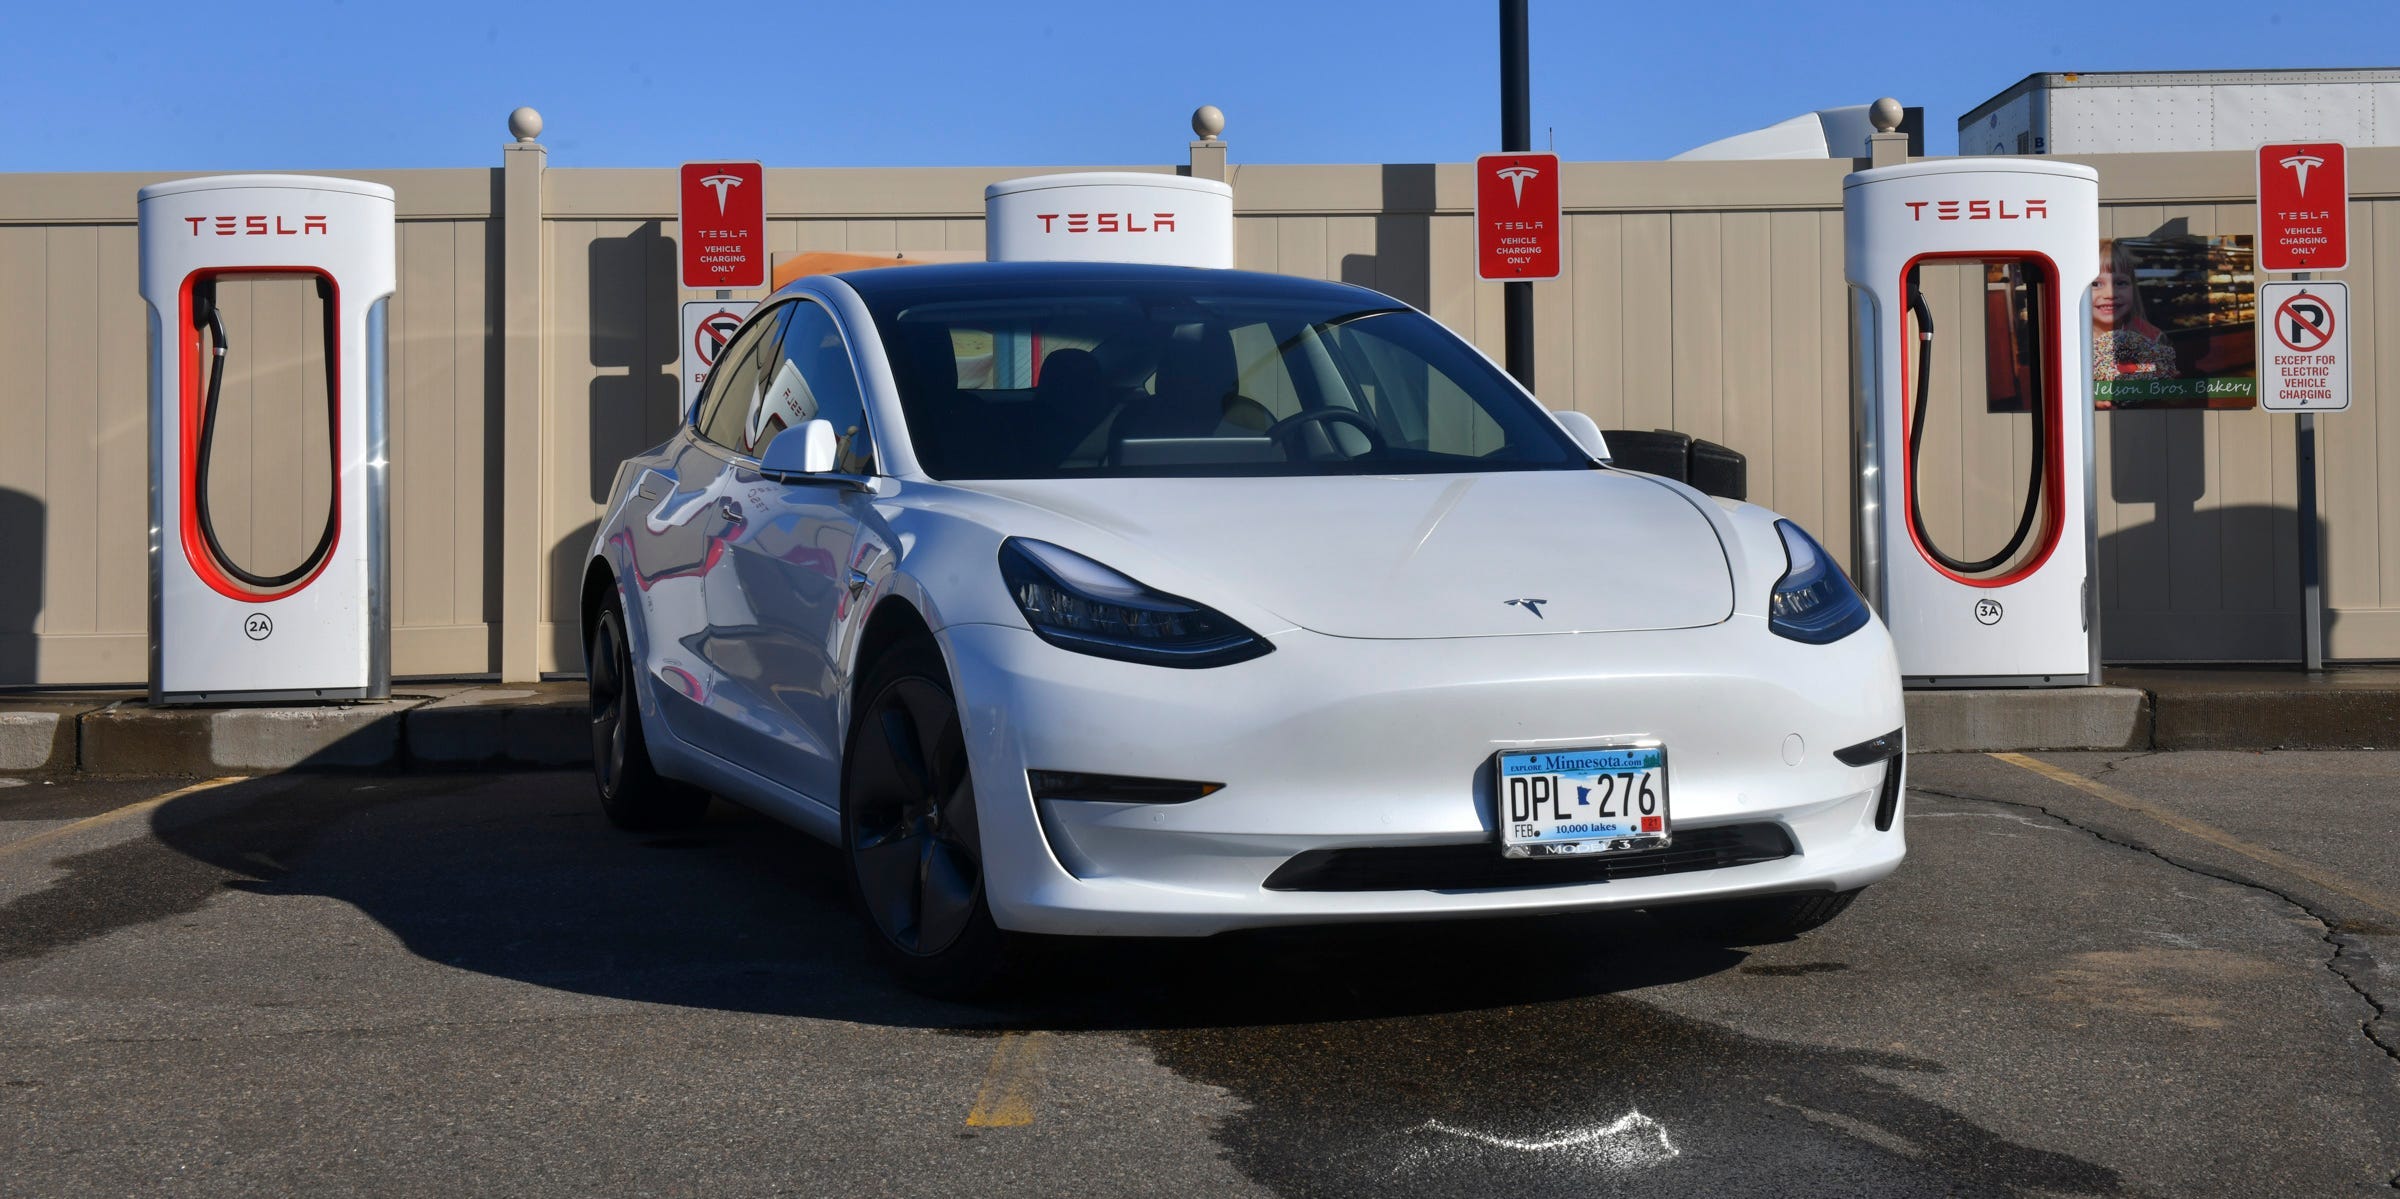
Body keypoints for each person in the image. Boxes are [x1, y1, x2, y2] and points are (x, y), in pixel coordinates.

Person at [2094, 239, 2178, 386]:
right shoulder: (2071, 341)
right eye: (2095, 284)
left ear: (2133, 288)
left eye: (2120, 283)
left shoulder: (2153, 337)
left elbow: (2163, 376)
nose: (2110, 293)